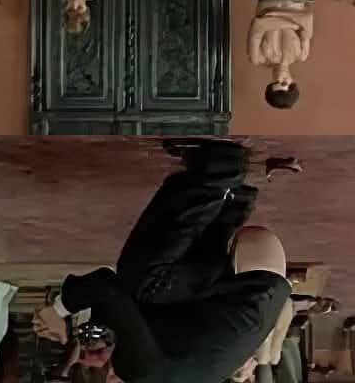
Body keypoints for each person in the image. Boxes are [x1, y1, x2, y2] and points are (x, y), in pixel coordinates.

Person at [32, 138, 292, 383]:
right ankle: (219, 168)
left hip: (260, 287)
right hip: (254, 278)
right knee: (142, 283)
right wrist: (58, 311)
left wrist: (101, 335)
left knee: (151, 294)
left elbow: (140, 317)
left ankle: (234, 197)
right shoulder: (141, 373)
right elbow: (107, 286)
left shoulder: (154, 374)